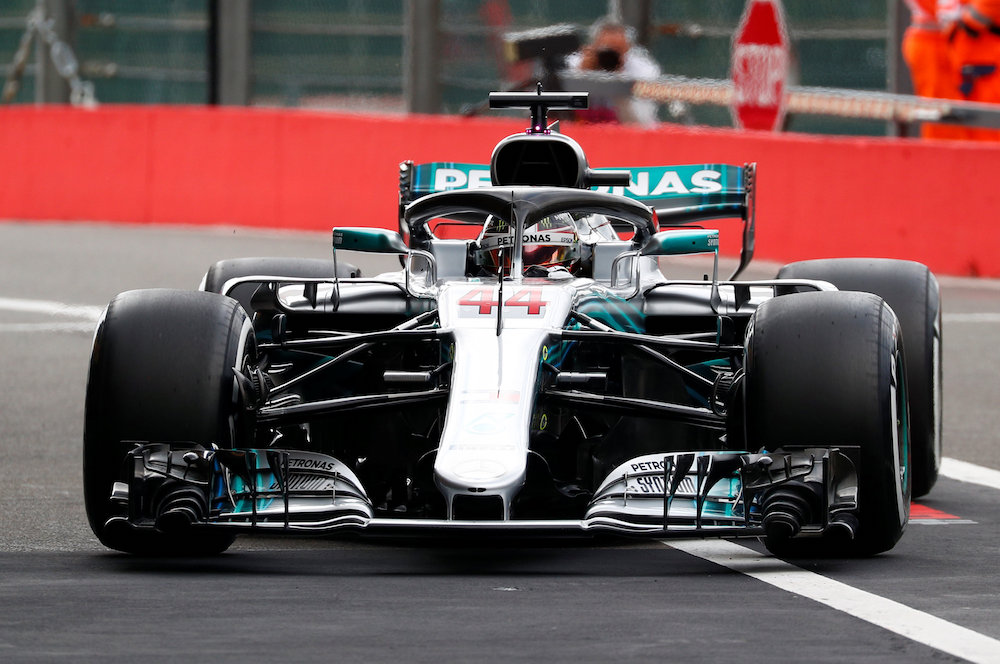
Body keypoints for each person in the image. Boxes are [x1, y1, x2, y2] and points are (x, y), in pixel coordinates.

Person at [563, 18, 661, 126]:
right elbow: (562, 110)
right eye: (606, 50)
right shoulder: (575, 63)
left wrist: (620, 82)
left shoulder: (643, 69)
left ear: (628, 48)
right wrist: (582, 75)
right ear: (594, 45)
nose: (611, 57)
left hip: (625, 129)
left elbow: (642, 122)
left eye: (617, 50)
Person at [946, 0, 1000, 140]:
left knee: (989, 126)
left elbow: (977, 16)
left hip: (988, 63)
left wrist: (961, 17)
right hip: (973, 63)